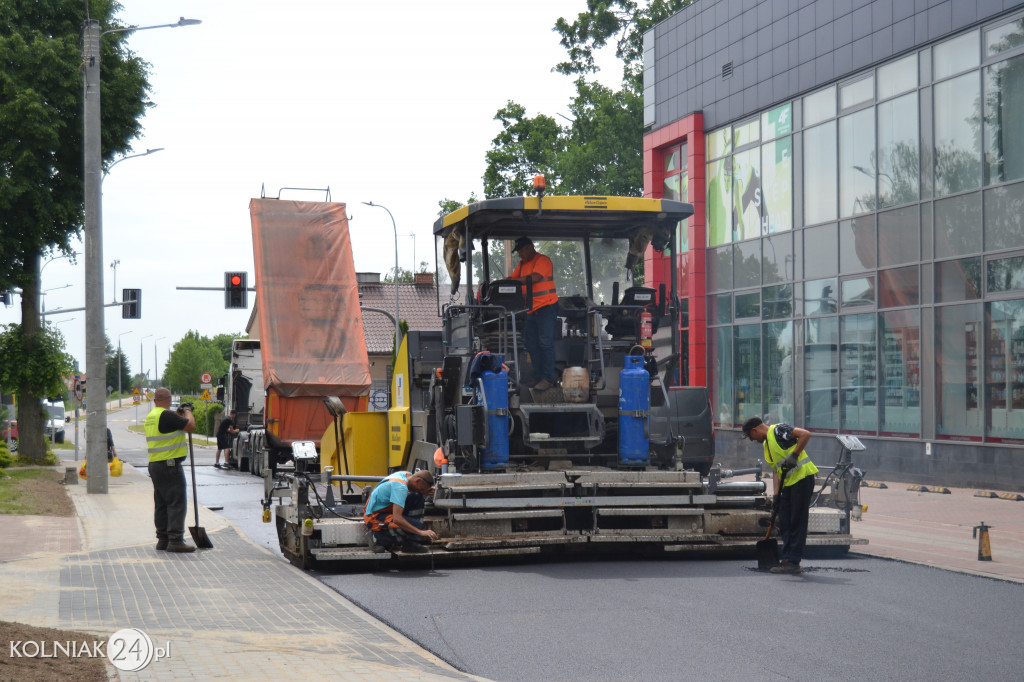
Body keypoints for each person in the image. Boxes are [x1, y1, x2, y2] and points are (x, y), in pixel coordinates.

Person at [742, 416, 819, 574]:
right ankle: (786, 558)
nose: (751, 440)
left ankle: (793, 561)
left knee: (797, 520)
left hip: (803, 478)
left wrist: (795, 455)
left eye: (750, 436)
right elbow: (777, 470)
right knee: (784, 520)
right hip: (789, 483)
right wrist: (776, 495)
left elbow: (805, 434)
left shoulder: (778, 431)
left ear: (754, 430)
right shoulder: (767, 444)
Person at [144, 387, 197, 553]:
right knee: (176, 502)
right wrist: (187, 410)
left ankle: (163, 539)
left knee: (161, 503)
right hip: (170, 465)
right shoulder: (165, 415)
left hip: (155, 465)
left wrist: (178, 412)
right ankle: (175, 540)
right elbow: (190, 426)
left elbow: (172, 423)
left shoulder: (152, 416)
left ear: (155, 400)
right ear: (168, 399)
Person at [511, 236, 559, 390]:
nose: (519, 254)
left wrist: (516, 281)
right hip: (531, 310)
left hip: (547, 307)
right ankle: (538, 377)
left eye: (520, 250)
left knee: (545, 343)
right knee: (531, 344)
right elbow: (512, 279)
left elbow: (535, 277)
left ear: (529, 248)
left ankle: (547, 379)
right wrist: (499, 284)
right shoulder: (522, 264)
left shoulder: (543, 260)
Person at [363, 469, 438, 553]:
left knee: (417, 496)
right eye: (422, 487)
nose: (422, 490)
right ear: (418, 480)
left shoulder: (407, 475)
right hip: (375, 517)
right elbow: (397, 519)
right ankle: (378, 537)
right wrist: (420, 532)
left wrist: (423, 491)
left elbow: (412, 489)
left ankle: (410, 544)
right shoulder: (400, 487)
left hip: (388, 510)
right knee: (414, 526)